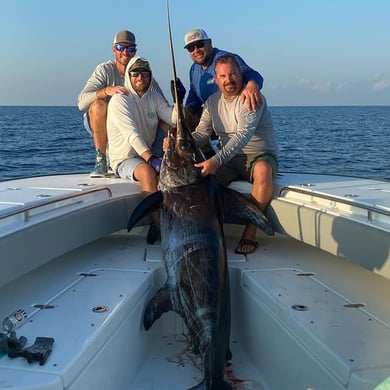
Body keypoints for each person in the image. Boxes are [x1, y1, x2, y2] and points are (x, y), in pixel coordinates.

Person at [191, 54, 278, 255]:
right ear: (216, 78)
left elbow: (243, 135)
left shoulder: (252, 97)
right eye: (223, 76)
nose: (228, 80)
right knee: (201, 181)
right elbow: (202, 133)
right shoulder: (212, 102)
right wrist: (180, 143)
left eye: (232, 74)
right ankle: (209, 230)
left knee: (263, 170)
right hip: (230, 160)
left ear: (241, 74)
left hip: (259, 154)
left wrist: (215, 160)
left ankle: (251, 230)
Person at [107, 56, 180, 243]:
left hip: (148, 151)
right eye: (136, 73)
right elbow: (132, 136)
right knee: (148, 173)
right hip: (125, 157)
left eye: (145, 74)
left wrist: (178, 100)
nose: (141, 78)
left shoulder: (154, 97)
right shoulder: (119, 100)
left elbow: (174, 120)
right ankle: (159, 226)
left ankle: (178, 217)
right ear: (129, 76)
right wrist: (152, 160)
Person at [78, 30, 169, 177]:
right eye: (121, 48)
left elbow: (164, 108)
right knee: (98, 106)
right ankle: (102, 159)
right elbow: (82, 102)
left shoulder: (144, 77)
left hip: (134, 123)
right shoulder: (104, 70)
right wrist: (106, 91)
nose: (126, 52)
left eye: (130, 49)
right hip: (106, 124)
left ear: (135, 52)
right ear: (114, 50)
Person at [183, 28, 264, 136]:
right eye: (191, 48)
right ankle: (209, 153)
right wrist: (187, 109)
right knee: (182, 121)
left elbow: (253, 74)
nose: (196, 50)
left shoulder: (228, 59)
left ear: (209, 42)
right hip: (212, 115)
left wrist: (252, 84)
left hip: (235, 115)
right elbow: (194, 95)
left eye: (200, 44)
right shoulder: (193, 69)